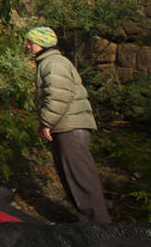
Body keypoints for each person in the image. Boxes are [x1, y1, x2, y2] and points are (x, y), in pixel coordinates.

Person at [25, 26, 111, 223]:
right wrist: (44, 123)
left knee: (81, 177)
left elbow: (58, 96)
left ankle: (100, 228)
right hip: (65, 126)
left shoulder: (54, 63)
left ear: (42, 43)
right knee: (70, 176)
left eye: (31, 42)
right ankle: (87, 224)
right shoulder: (48, 62)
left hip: (72, 128)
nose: (28, 46)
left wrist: (46, 121)